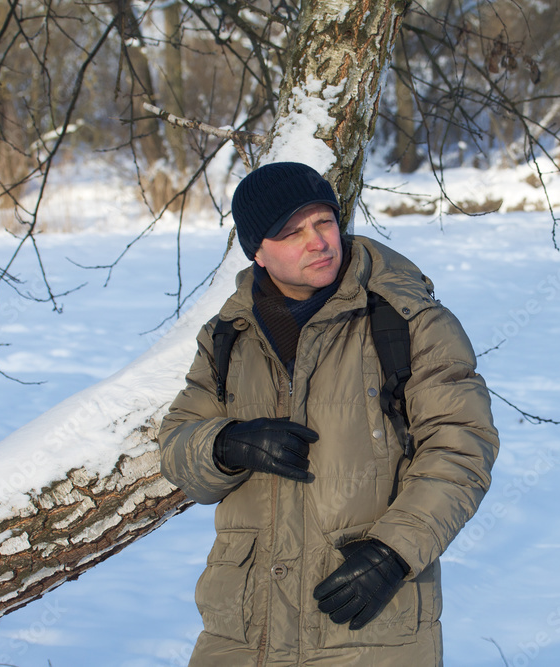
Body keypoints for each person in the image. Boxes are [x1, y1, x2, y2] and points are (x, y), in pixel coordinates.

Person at [159, 161, 499, 666]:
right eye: (291, 233)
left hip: (366, 622)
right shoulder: (227, 336)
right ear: (258, 252)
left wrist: (393, 552)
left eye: (323, 222)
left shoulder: (407, 319)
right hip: (243, 631)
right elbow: (177, 449)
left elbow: (461, 447)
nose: (317, 242)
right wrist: (225, 443)